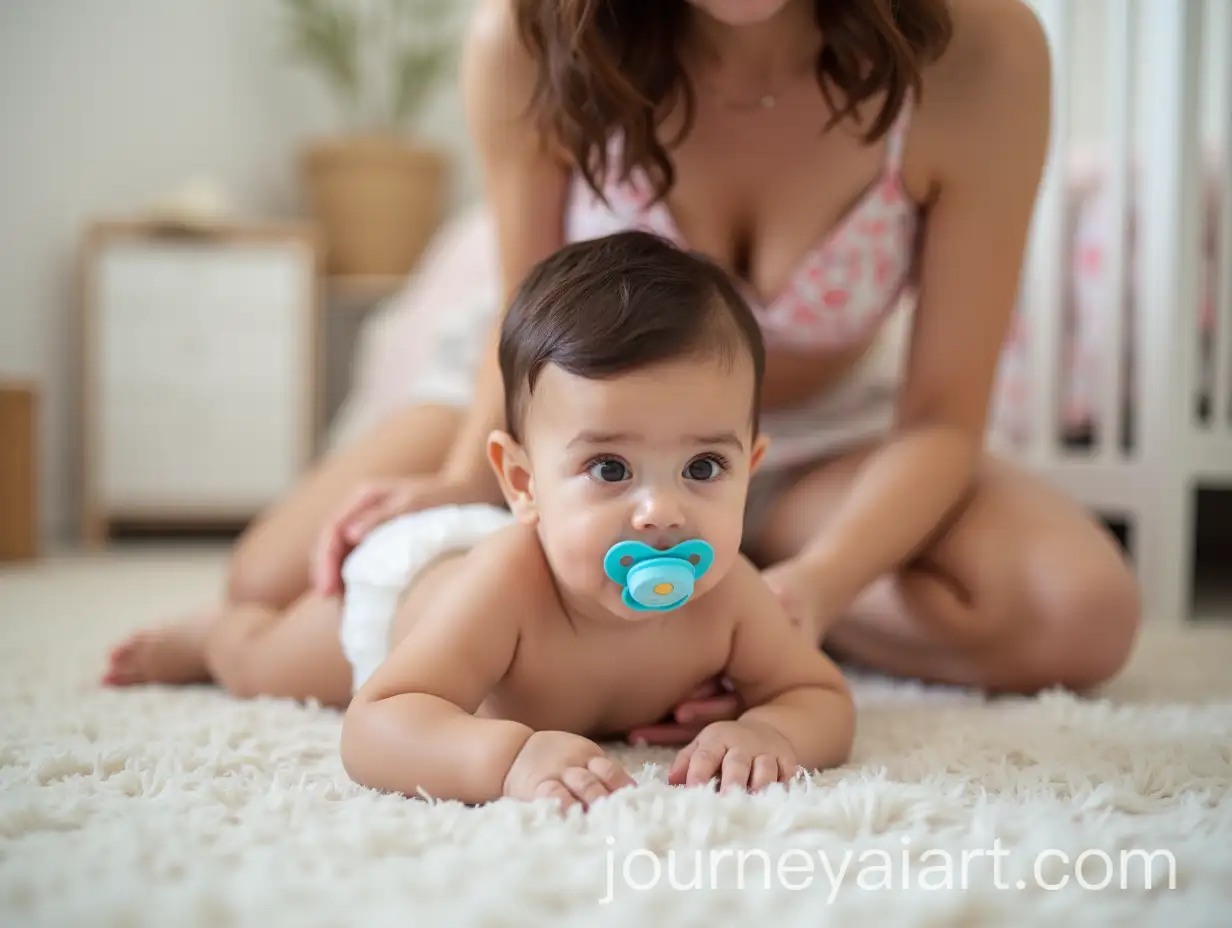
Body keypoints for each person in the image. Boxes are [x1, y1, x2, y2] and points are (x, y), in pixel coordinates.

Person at [104, 0, 1141, 743]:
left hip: (828, 434)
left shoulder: (980, 49)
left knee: (1079, 610)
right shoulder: (528, 36)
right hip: (559, 421)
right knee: (277, 579)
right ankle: (656, 575)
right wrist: (466, 478)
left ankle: (728, 587)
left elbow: (940, 418)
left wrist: (812, 591)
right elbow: (524, 332)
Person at [337, 230, 853, 807]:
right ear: (523, 481)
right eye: (610, 469)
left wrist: (769, 731)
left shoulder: (731, 593)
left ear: (749, 468)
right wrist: (508, 759)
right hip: (416, 589)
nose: (661, 512)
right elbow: (374, 726)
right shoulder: (504, 584)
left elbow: (818, 695)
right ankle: (223, 638)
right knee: (274, 660)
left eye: (704, 467)